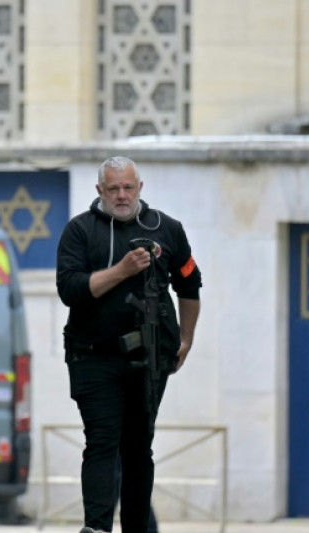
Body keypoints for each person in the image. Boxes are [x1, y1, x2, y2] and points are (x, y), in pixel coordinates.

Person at [56, 156, 202, 533]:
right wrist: (122, 271)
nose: (121, 195)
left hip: (149, 358)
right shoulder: (80, 230)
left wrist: (186, 338)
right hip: (93, 355)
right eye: (113, 189)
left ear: (140, 188)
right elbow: (70, 290)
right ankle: (97, 527)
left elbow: (190, 284)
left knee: (138, 448)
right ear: (100, 191)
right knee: (102, 440)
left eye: (128, 187)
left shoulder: (167, 229)